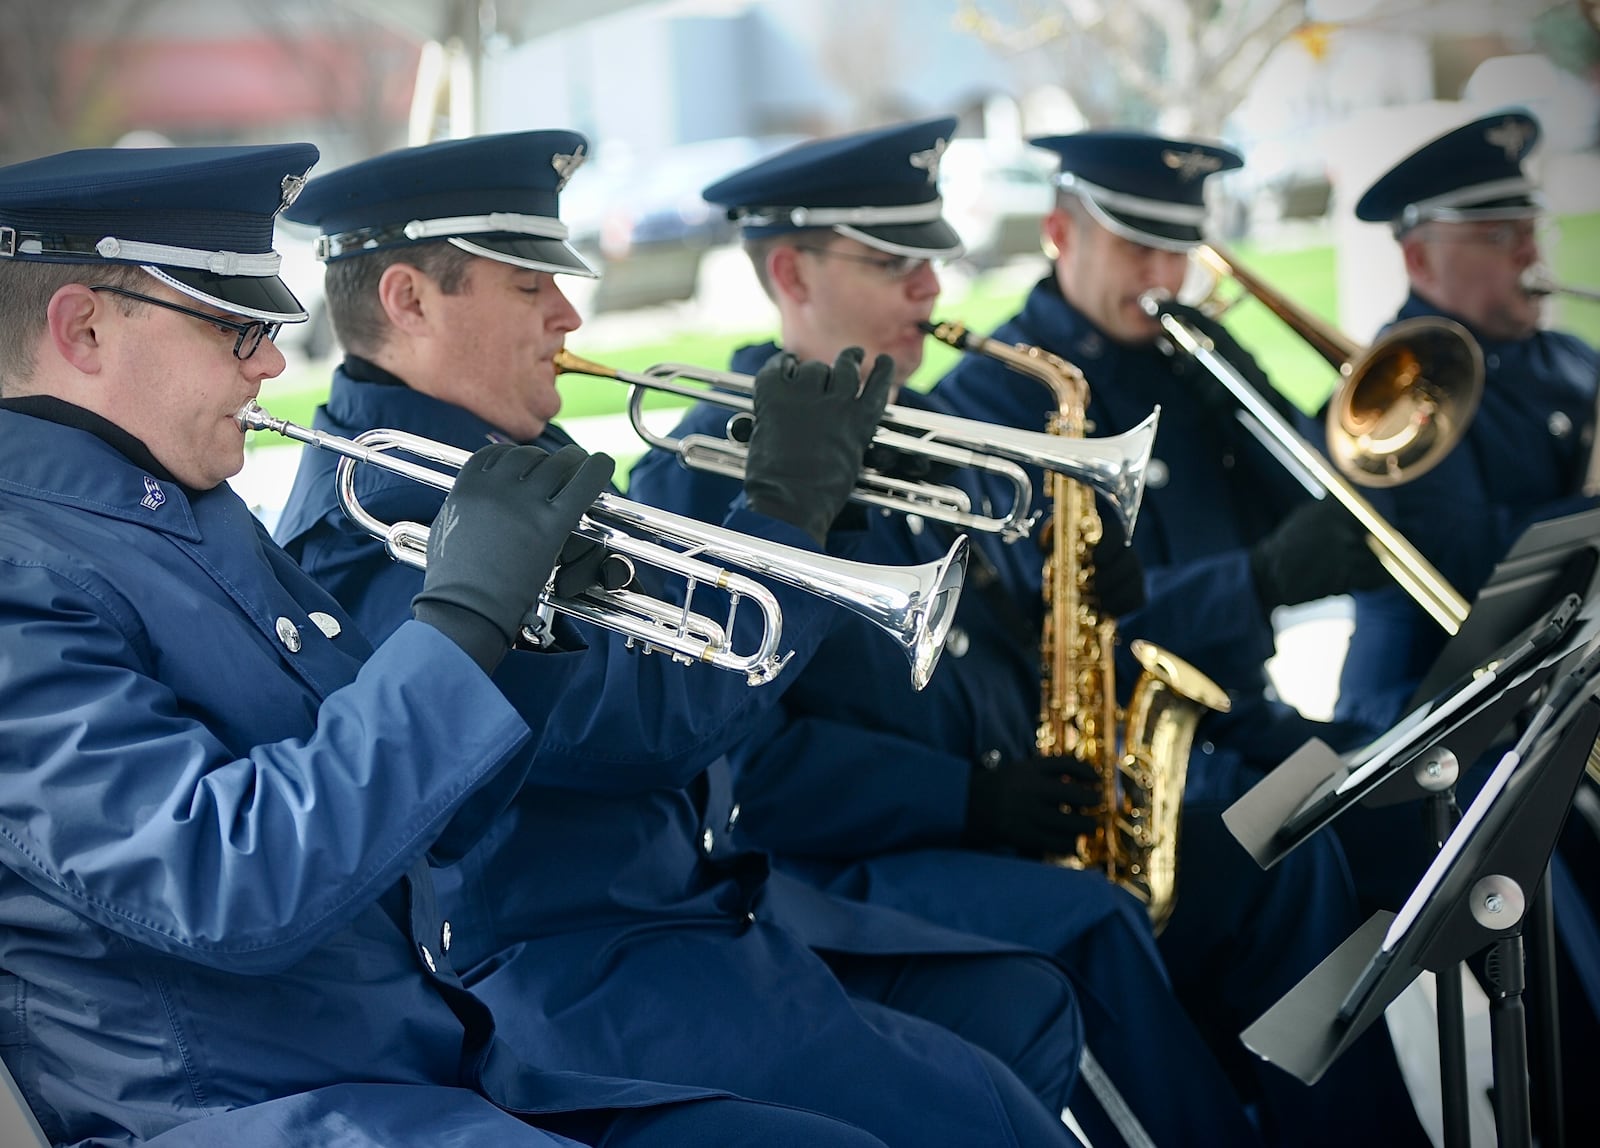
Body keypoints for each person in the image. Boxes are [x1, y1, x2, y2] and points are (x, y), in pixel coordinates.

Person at [0, 142, 900, 1148]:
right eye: (235, 325)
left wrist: (520, 634)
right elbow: (229, 880)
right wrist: (461, 621)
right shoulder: (21, 578)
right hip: (246, 1109)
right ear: (80, 328)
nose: (267, 361)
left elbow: (427, 833)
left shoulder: (183, 512)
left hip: (413, 1063)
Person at [272, 128, 1095, 1148]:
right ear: (408, 299)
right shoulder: (369, 517)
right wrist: (789, 511)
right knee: (987, 1118)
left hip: (691, 912)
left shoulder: (508, 453)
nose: (569, 314)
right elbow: (650, 723)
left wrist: (809, 506)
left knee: (1020, 1006)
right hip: (565, 970)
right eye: (531, 285)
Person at [626, 117, 1426, 1147]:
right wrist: (970, 791)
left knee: (1280, 862)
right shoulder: (702, 466)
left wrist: (1091, 610)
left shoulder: (931, 437)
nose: (930, 289)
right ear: (790, 272)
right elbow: (741, 772)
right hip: (845, 874)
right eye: (893, 263)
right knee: (1089, 927)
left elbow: (997, 656)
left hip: (994, 828)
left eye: (931, 261)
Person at [1325, 108, 1600, 1139]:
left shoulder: (1570, 359)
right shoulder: (1399, 387)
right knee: (1548, 860)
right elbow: (1469, 570)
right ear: (1415, 251)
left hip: (1558, 691)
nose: (1532, 252)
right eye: (1498, 235)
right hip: (1430, 716)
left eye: (1528, 226)